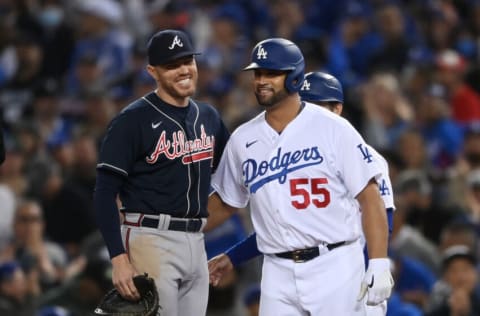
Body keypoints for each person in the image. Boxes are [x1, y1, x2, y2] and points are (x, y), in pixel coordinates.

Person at [209, 38, 393, 315]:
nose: (261, 80)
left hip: (335, 262)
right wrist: (174, 229)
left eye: (271, 73)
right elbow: (225, 203)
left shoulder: (334, 129)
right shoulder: (242, 139)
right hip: (276, 269)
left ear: (294, 77)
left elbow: (371, 199)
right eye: (257, 73)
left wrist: (378, 262)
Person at [93, 29, 230, 316]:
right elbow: (105, 192)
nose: (183, 70)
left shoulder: (209, 117)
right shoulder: (132, 121)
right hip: (150, 237)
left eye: (187, 61)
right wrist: (118, 258)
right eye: (171, 65)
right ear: (152, 71)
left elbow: (230, 178)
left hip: (196, 239)